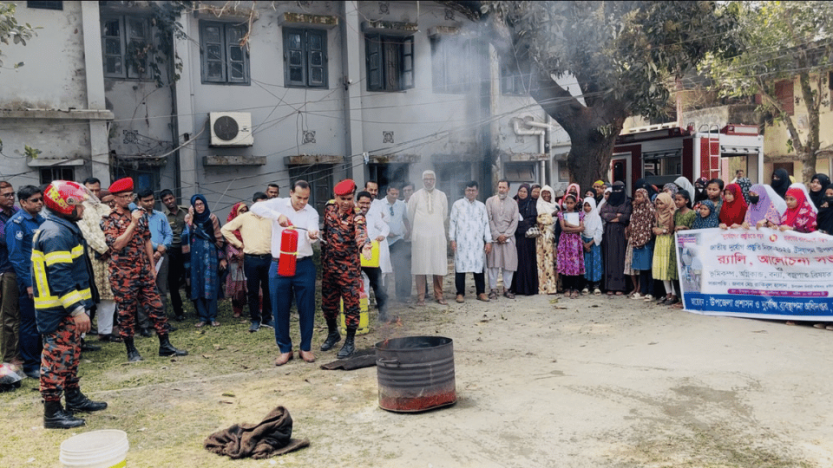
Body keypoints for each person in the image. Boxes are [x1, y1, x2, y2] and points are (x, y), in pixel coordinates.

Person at [32, 181, 107, 429]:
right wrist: (77, 310)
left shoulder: (63, 228)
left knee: (70, 356)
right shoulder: (56, 234)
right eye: (80, 204)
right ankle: (52, 413)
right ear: (65, 206)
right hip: (59, 311)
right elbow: (60, 278)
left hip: (66, 309)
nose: (84, 209)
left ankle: (73, 398)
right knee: (57, 359)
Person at [102, 178, 187, 362]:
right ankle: (131, 350)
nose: (127, 199)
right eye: (123, 196)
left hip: (143, 270)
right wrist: (132, 224)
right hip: (123, 274)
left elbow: (147, 240)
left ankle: (165, 344)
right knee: (126, 312)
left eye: (129, 196)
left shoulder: (140, 214)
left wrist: (151, 266)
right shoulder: (110, 219)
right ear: (115, 198)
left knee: (156, 307)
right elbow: (116, 246)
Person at [250, 180, 320, 365]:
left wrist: (312, 234)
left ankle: (305, 347)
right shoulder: (278, 203)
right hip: (279, 263)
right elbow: (255, 208)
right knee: (280, 307)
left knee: (306, 307)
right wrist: (276, 215)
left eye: (306, 198)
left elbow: (312, 230)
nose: (302, 202)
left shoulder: (311, 212)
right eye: (299, 197)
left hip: (303, 265)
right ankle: (284, 349)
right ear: (291, 193)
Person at [320, 180, 371, 360]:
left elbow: (361, 232)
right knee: (328, 304)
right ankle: (333, 333)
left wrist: (364, 245)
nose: (347, 202)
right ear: (336, 197)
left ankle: (349, 341)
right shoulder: (329, 208)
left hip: (348, 269)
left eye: (349, 198)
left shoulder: (357, 215)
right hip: (329, 266)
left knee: (351, 306)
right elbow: (325, 232)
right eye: (343, 198)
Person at [6, 186, 45, 379]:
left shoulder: (42, 220)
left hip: (44, 277)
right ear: (23, 203)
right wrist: (28, 283)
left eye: (40, 200)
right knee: (29, 322)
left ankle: (44, 358)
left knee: (43, 320)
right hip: (28, 280)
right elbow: (17, 257)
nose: (40, 203)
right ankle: (31, 364)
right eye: (35, 200)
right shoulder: (17, 224)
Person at [221, 192, 274, 333]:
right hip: (251, 259)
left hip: (268, 258)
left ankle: (267, 318)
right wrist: (239, 244)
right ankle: (255, 320)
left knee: (268, 289)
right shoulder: (245, 217)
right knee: (253, 291)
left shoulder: (271, 217)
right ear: (253, 204)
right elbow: (225, 230)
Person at [77, 190, 119, 344]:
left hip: (109, 259)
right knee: (86, 296)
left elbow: (114, 231)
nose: (94, 194)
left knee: (109, 296)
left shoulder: (106, 209)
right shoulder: (81, 208)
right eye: (91, 190)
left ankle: (105, 332)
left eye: (96, 190)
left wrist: (110, 248)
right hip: (89, 257)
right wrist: (103, 248)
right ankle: (80, 337)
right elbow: (85, 233)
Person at [183, 194, 225, 328]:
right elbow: (186, 235)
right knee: (197, 284)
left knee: (211, 284)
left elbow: (219, 240)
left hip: (210, 255)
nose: (199, 207)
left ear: (205, 204)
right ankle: (202, 316)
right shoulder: (189, 219)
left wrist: (221, 257)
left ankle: (212, 317)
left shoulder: (212, 218)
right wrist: (191, 218)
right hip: (194, 256)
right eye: (196, 205)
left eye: (201, 204)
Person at [136, 189, 173, 336]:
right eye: (146, 201)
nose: (150, 203)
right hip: (143, 257)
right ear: (139, 201)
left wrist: (162, 249)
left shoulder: (161, 216)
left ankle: (161, 322)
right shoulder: (136, 217)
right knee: (143, 291)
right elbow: (140, 238)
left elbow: (169, 234)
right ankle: (144, 324)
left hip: (161, 257)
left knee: (161, 291)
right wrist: (158, 247)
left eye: (152, 200)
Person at [408, 170, 449, 306]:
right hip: (420, 236)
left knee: (438, 266)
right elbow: (410, 216)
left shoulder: (442, 196)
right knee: (421, 266)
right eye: (426, 179)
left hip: (437, 235)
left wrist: (433, 225)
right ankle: (421, 297)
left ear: (435, 180)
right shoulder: (415, 196)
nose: (428, 181)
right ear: (422, 180)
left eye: (431, 179)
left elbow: (444, 215)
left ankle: (439, 295)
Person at [449, 181, 492, 303]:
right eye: (469, 190)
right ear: (465, 191)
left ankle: (481, 292)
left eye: (473, 190)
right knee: (460, 268)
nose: (471, 192)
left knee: (479, 267)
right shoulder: (457, 205)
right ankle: (460, 293)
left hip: (477, 242)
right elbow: (452, 223)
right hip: (462, 242)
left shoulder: (481, 206)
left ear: (477, 192)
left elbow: (486, 224)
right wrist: (452, 239)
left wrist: (488, 241)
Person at [357, 191, 391, 319]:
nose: (365, 206)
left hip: (369, 254)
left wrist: (382, 235)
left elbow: (385, 227)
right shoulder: (351, 214)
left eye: (367, 203)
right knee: (354, 283)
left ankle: (383, 313)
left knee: (377, 282)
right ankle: (356, 312)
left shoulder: (373, 214)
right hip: (354, 254)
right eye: (362, 203)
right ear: (357, 202)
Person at [486, 180, 519, 300]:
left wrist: (506, 235)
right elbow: (488, 220)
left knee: (508, 265)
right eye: (500, 187)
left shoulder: (514, 203)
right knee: (493, 265)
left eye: (504, 187)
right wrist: (496, 235)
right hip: (494, 238)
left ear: (508, 189)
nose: (501, 190)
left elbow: (515, 221)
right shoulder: (490, 201)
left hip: (508, 238)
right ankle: (493, 290)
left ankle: (506, 289)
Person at [0, 181, 21, 370]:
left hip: (21, 269)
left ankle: (21, 352)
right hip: (6, 270)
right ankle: (8, 356)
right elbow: (6, 240)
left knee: (22, 315)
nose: (11, 197)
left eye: (12, 194)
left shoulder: (16, 212)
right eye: (6, 195)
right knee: (8, 316)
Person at [160, 189, 189, 321]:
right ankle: (178, 312)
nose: (169, 202)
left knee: (190, 279)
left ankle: (199, 309)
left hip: (187, 250)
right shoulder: (163, 216)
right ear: (163, 202)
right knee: (173, 283)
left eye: (171, 198)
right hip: (172, 251)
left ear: (175, 198)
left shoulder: (186, 212)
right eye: (166, 200)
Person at [599, 181, 631, 295]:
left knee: (620, 258)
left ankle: (621, 287)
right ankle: (609, 286)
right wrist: (617, 216)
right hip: (609, 232)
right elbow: (604, 214)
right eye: (615, 189)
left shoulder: (627, 202)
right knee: (610, 257)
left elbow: (626, 216)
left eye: (619, 190)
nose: (617, 192)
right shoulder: (607, 202)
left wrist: (618, 217)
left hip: (622, 232)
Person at [625, 188, 655, 301]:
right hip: (636, 241)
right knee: (640, 268)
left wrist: (645, 238)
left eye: (640, 196)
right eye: (636, 196)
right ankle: (642, 291)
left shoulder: (650, 209)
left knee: (648, 268)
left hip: (646, 241)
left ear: (645, 197)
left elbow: (650, 225)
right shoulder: (635, 209)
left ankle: (650, 292)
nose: (637, 198)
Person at [382, 185, 411, 301]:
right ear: (387, 192)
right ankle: (383, 295)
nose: (394, 197)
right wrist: (387, 233)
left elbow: (405, 218)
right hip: (384, 240)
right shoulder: (380, 204)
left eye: (396, 195)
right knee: (383, 268)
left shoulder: (401, 205)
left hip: (398, 239)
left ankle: (401, 295)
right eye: (392, 194)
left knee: (401, 266)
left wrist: (409, 230)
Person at [223, 202, 249, 320]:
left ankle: (258, 308)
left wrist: (245, 252)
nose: (243, 214)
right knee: (237, 286)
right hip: (235, 260)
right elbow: (227, 243)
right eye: (241, 211)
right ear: (235, 212)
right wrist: (237, 254)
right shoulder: (230, 226)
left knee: (253, 285)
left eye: (245, 211)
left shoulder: (250, 225)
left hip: (249, 258)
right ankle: (237, 310)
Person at [511, 184, 539, 296]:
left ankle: (528, 288)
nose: (522, 193)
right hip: (515, 237)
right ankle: (516, 288)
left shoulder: (531, 204)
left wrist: (519, 225)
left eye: (524, 192)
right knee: (516, 262)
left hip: (527, 238)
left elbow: (531, 220)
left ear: (528, 193)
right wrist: (514, 227)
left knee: (527, 262)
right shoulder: (514, 203)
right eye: (520, 191)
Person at [652, 193, 678, 305]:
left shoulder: (673, 212)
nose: (659, 205)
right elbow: (654, 225)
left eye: (661, 203)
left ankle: (674, 294)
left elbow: (672, 230)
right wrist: (655, 229)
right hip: (660, 242)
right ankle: (667, 293)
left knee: (669, 267)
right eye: (657, 203)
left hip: (669, 241)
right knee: (661, 266)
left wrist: (661, 231)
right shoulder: (657, 213)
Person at [557, 195, 585, 298]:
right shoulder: (561, 214)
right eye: (567, 203)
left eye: (571, 203)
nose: (569, 205)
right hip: (565, 241)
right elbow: (564, 228)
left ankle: (576, 288)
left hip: (575, 242)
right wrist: (576, 227)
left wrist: (569, 225)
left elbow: (582, 228)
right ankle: (567, 287)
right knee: (566, 263)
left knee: (575, 263)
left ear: (575, 203)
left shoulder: (580, 214)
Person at [536, 186, 559, 295]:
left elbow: (559, 220)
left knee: (555, 261)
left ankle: (557, 286)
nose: (546, 195)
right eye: (543, 193)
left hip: (555, 236)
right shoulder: (539, 205)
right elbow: (541, 219)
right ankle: (545, 288)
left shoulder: (556, 205)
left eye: (548, 193)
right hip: (543, 237)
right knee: (544, 262)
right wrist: (552, 214)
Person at [581, 198, 603, 295]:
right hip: (583, 241)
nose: (586, 208)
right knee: (586, 263)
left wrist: (590, 243)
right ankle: (586, 285)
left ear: (593, 206)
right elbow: (578, 230)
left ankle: (596, 285)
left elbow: (599, 231)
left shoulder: (597, 217)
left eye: (588, 205)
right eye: (585, 205)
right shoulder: (581, 216)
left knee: (595, 263)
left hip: (594, 242)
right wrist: (584, 243)